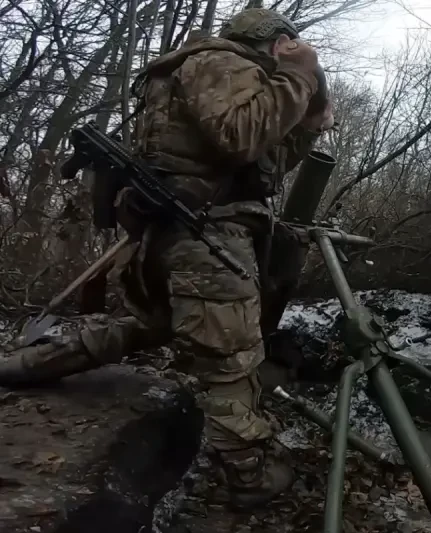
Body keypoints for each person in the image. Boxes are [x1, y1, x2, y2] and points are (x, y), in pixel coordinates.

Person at [0, 8, 334, 510]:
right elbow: (242, 137)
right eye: (288, 47)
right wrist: (300, 73)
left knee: (146, 325)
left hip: (176, 238)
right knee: (231, 362)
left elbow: (261, 163)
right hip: (204, 239)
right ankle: (249, 479)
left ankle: (22, 365)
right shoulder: (222, 62)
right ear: (274, 42)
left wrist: (307, 115)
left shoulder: (208, 71)